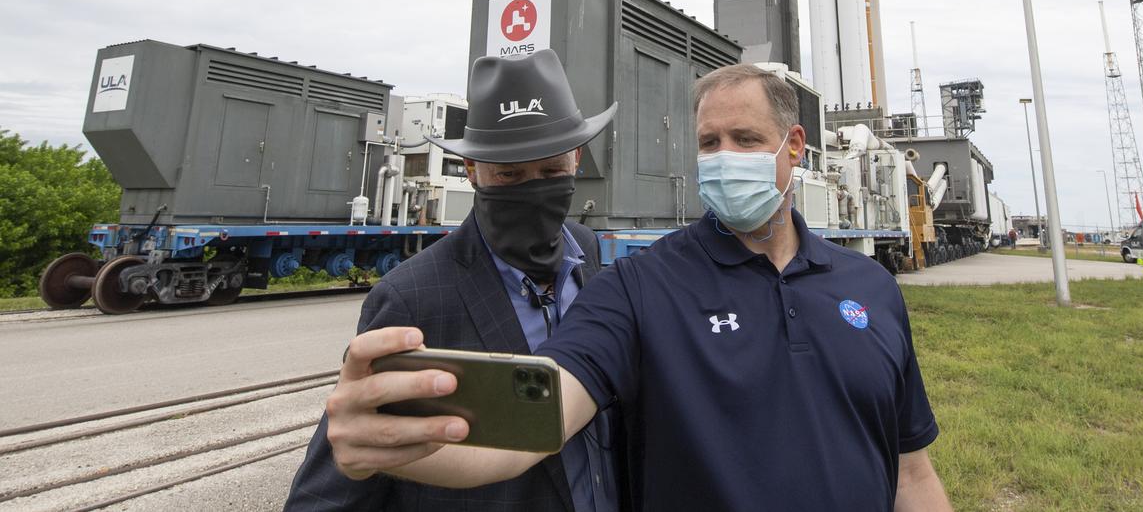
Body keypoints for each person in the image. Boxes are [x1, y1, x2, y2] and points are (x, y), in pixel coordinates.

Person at [322, 62, 952, 511]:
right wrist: (380, 448)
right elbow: (539, 416)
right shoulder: (641, 284)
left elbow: (910, 471)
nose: (725, 156)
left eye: (746, 140)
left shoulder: (872, 288)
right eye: (710, 143)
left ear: (794, 146)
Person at [285, 49, 622, 512]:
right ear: (472, 170)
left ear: (577, 159)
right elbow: (330, 491)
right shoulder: (413, 297)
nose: (533, 188)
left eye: (550, 171)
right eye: (510, 174)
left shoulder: (589, 253)